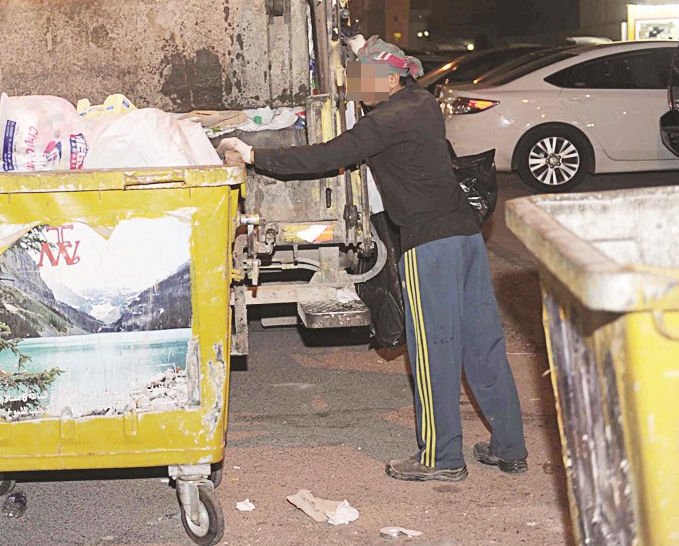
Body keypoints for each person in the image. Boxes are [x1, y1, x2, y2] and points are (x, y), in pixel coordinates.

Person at [219, 35, 527, 483]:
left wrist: (253, 154)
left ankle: (441, 459)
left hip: (431, 246)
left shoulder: (384, 122)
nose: (356, 89)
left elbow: (327, 156)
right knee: (483, 345)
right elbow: (385, 78)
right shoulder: (419, 102)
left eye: (362, 79)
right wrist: (363, 47)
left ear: (387, 78)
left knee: (432, 353)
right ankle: (509, 448)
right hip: (466, 238)